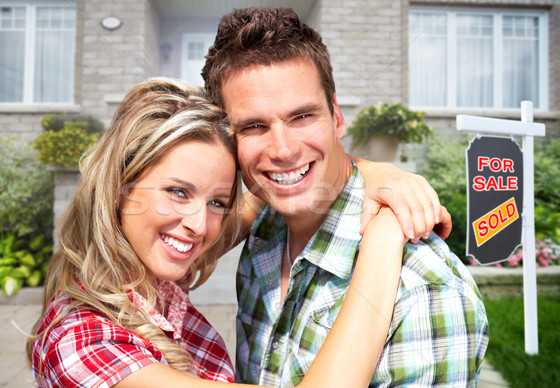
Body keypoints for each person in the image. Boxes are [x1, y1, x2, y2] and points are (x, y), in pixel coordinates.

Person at [25, 77, 429, 387]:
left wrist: (374, 173)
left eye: (218, 202)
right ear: (119, 187)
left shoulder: (143, 279)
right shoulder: (82, 342)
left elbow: (277, 177)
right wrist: (386, 231)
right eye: (177, 192)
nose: (200, 227)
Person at [201, 7, 489, 387]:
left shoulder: (422, 292)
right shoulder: (265, 228)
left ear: (336, 117)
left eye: (302, 116)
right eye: (254, 126)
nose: (284, 150)